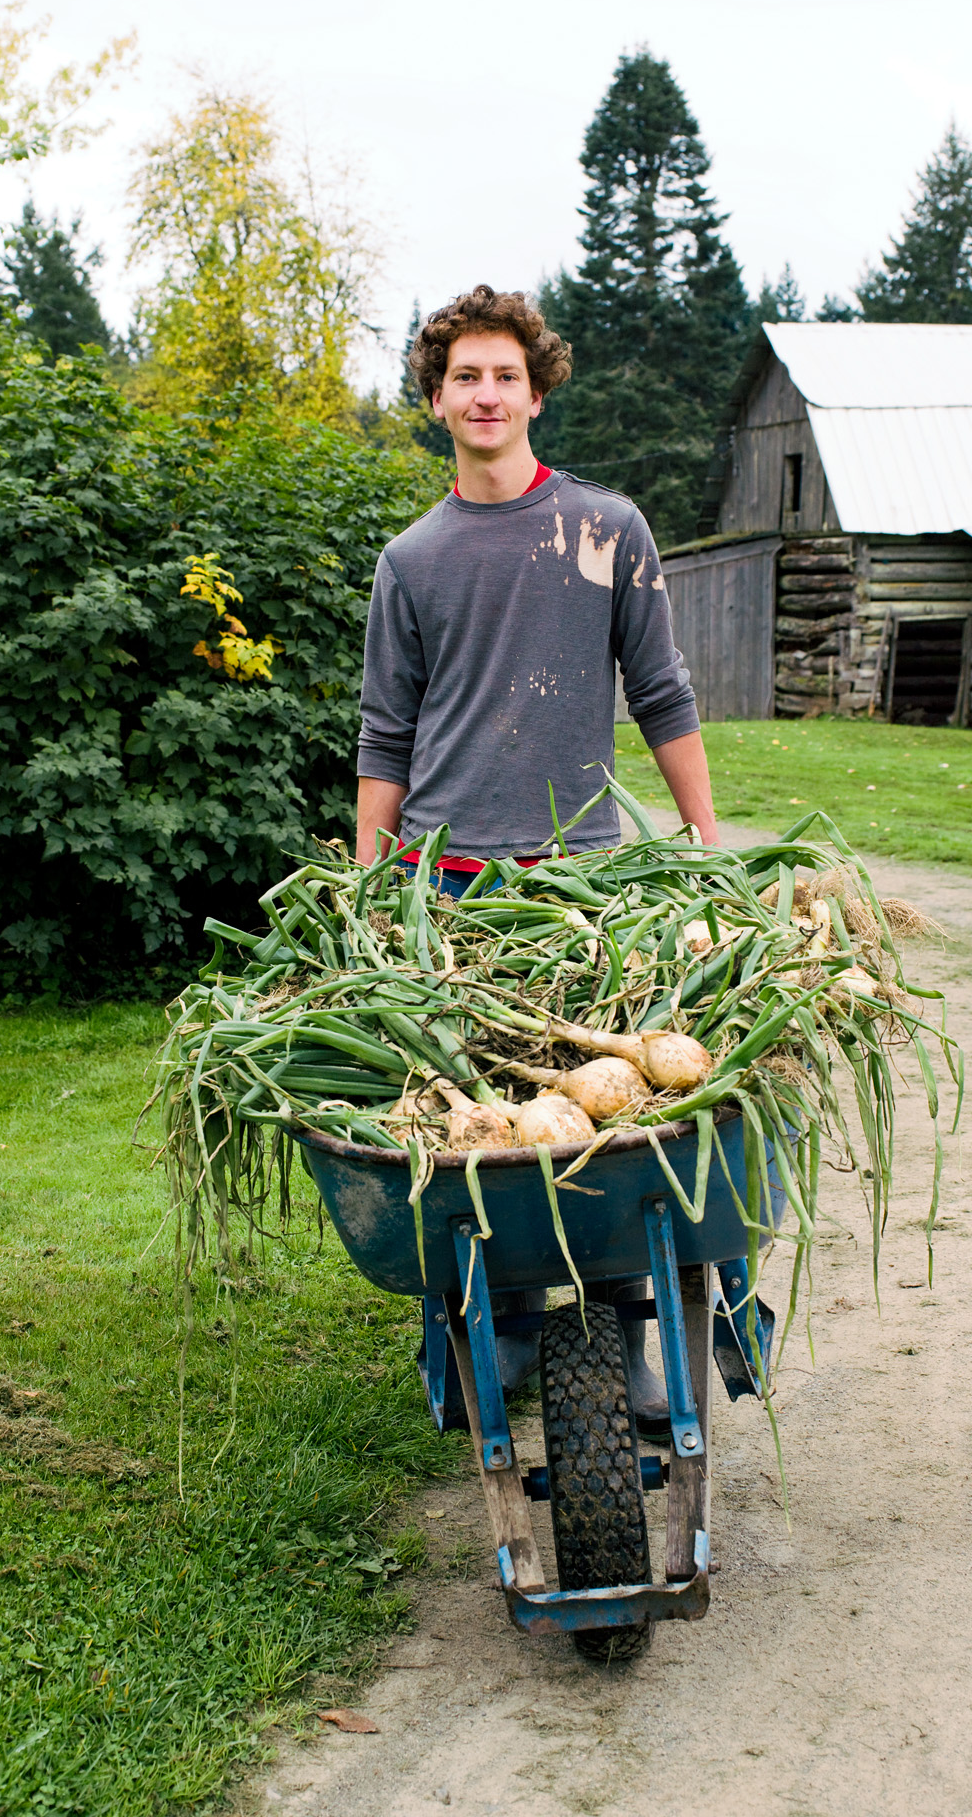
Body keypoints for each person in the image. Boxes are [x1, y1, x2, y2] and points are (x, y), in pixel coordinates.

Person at [355, 284, 722, 1436]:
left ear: (537, 390)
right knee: (492, 1115)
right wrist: (369, 881)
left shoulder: (610, 531)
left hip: (582, 880)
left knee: (609, 1118)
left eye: (505, 373)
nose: (485, 392)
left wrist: (709, 844)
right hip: (450, 879)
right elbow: (386, 732)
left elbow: (662, 692)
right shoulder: (410, 560)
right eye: (465, 374)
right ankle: (509, 1320)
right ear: (435, 397)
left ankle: (621, 1320)